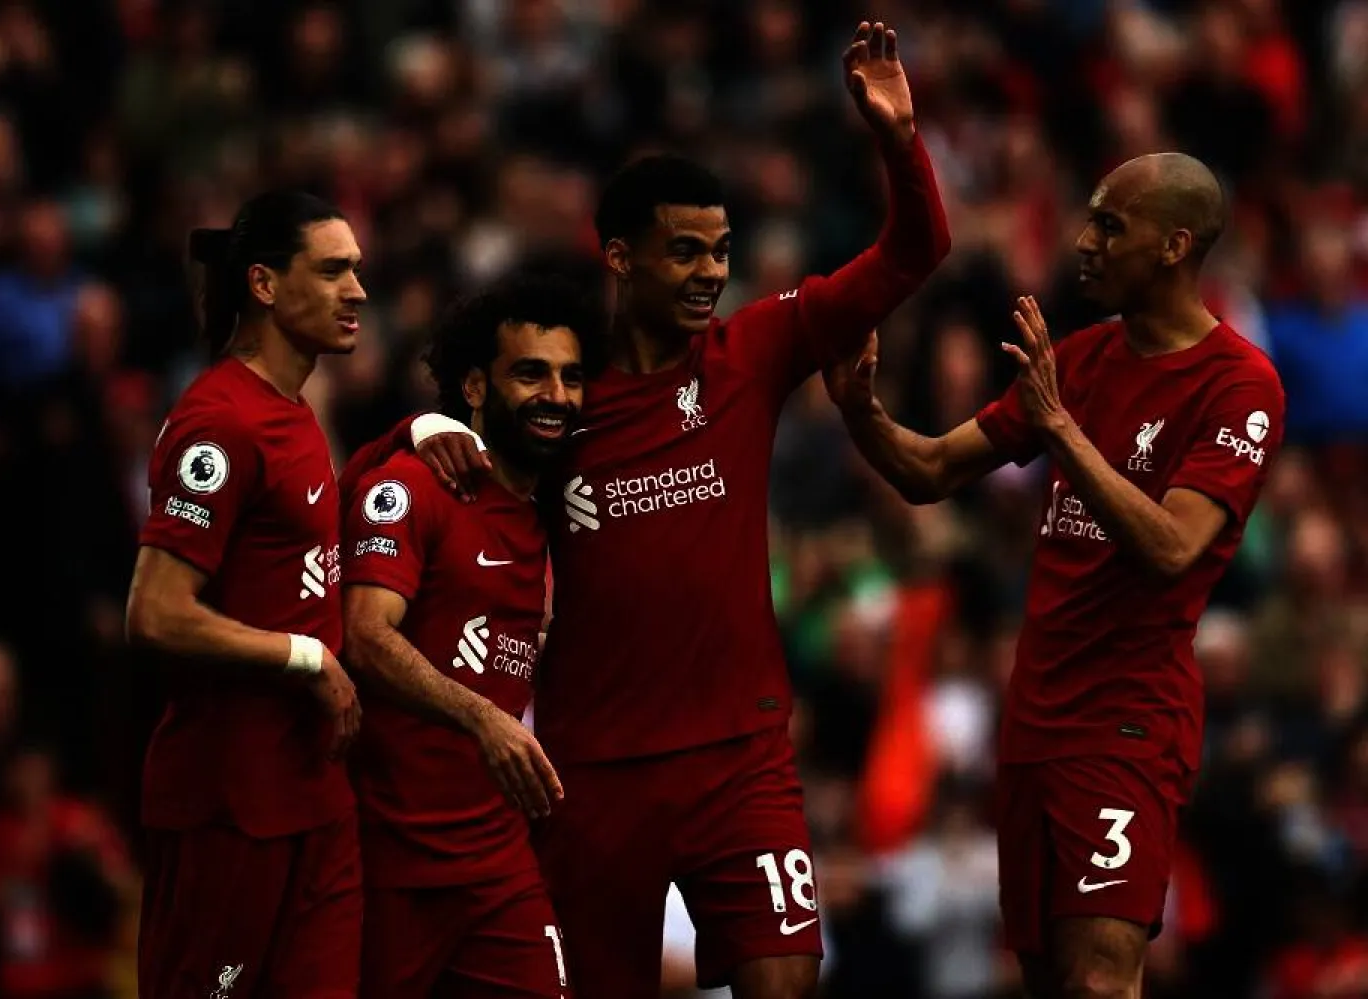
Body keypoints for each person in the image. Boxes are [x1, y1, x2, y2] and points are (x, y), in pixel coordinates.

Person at [408, 21, 949, 998]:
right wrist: (423, 428)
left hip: (743, 759)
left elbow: (916, 251)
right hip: (594, 773)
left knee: (787, 981)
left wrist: (900, 142)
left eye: (721, 252)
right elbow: (441, 435)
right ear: (621, 257)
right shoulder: (556, 397)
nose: (709, 273)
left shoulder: (754, 353)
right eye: (686, 252)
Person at [824, 152, 1285, 998]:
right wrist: (863, 412)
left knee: (1101, 979)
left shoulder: (1239, 385)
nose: (1083, 241)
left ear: (1175, 245)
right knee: (1047, 979)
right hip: (1034, 720)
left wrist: (1062, 430)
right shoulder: (1078, 359)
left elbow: (1172, 547)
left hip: (1128, 721)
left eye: (1111, 225)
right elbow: (930, 470)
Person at [124, 189, 367, 999]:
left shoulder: (294, 413)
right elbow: (155, 612)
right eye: (331, 270)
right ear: (263, 283)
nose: (357, 290)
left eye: (355, 269)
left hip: (313, 796)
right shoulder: (220, 422)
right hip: (229, 802)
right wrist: (305, 656)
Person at [338, 270, 604, 998]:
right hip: (390, 861)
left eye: (571, 377)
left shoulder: (552, 519)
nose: (556, 395)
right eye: (531, 373)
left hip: (498, 863)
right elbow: (363, 635)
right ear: (477, 387)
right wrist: (484, 718)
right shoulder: (418, 486)